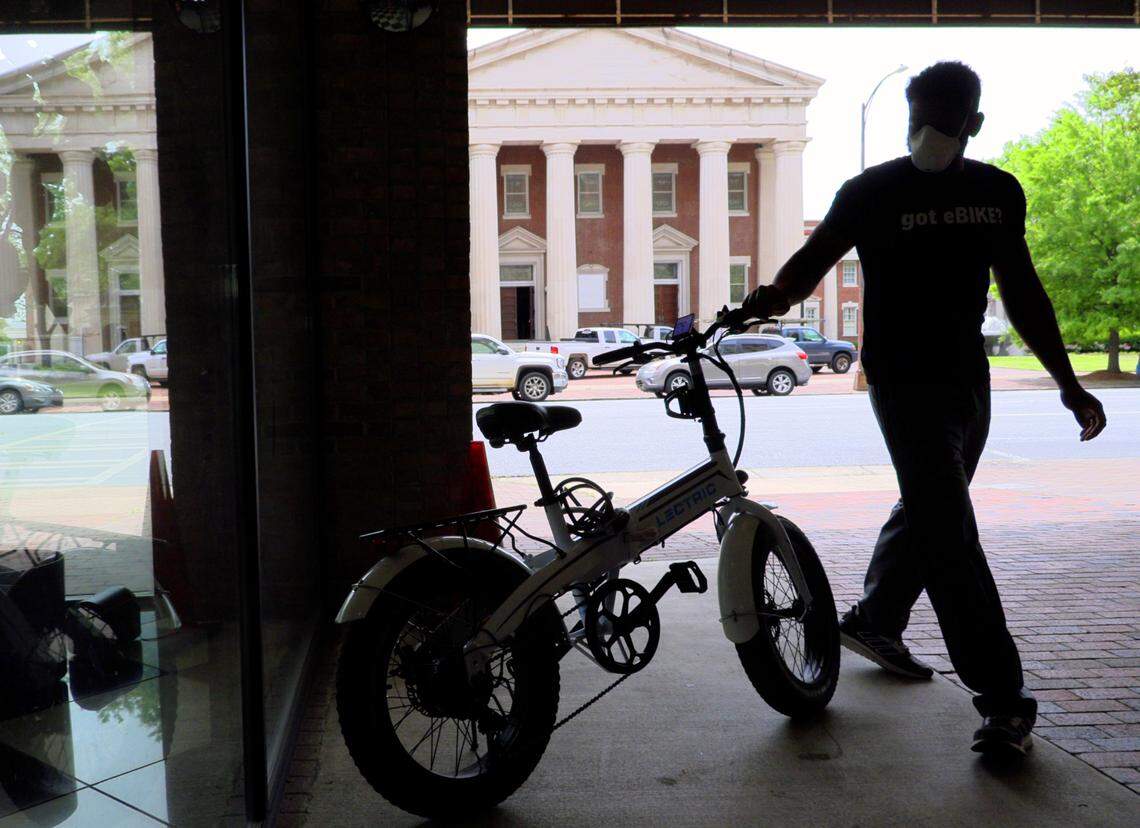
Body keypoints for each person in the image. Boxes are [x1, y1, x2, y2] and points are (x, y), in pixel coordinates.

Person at [741, 61, 1107, 758]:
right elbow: (810, 264)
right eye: (919, 120)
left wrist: (1067, 381)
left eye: (944, 121)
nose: (929, 133)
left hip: (968, 379)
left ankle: (876, 618)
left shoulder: (997, 191)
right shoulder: (871, 191)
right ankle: (1004, 700)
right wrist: (767, 300)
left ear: (974, 124)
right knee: (948, 530)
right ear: (906, 119)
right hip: (902, 380)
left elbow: (1022, 289)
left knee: (933, 503)